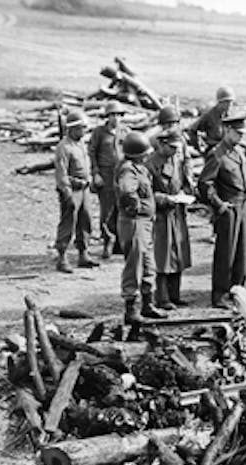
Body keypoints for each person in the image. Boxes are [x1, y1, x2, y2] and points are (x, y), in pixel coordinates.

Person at [198, 107, 246, 308]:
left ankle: (237, 289)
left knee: (241, 252)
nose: (240, 136)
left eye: (242, 133)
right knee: (225, 253)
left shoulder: (238, 152)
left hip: (242, 207)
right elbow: (205, 184)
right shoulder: (217, 154)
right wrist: (219, 205)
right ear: (227, 130)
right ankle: (219, 294)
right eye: (237, 133)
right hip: (228, 208)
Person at [114, 131, 167, 324]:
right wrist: (136, 206)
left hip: (144, 223)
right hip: (134, 223)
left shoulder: (140, 169)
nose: (147, 155)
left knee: (147, 265)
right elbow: (127, 190)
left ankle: (147, 304)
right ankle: (131, 308)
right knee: (134, 265)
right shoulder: (128, 170)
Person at [147, 129, 193, 309]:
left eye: (177, 148)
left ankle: (175, 294)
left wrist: (183, 193)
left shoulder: (177, 160)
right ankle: (162, 297)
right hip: (161, 216)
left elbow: (181, 182)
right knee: (162, 257)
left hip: (177, 213)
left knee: (178, 254)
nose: (175, 151)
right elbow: (146, 193)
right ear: (162, 144)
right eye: (172, 147)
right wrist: (164, 199)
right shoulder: (150, 164)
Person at [54, 110, 97, 273]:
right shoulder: (63, 147)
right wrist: (67, 193)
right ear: (71, 129)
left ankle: (83, 254)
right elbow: (61, 173)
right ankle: (62, 257)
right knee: (68, 223)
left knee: (85, 221)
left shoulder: (80, 144)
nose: (84, 131)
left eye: (84, 128)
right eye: (81, 128)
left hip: (84, 189)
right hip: (72, 190)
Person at [88, 101, 128, 259]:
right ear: (107, 116)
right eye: (112, 115)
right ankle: (107, 241)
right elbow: (91, 153)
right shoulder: (99, 132)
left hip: (122, 174)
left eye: (118, 115)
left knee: (121, 208)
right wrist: (96, 174)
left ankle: (119, 243)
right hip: (105, 174)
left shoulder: (125, 132)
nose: (115, 118)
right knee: (107, 209)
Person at [187, 85, 235, 154]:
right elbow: (192, 130)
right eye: (227, 102)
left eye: (231, 102)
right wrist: (198, 148)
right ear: (220, 102)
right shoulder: (209, 115)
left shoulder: (230, 116)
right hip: (214, 150)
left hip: (228, 148)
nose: (230, 105)